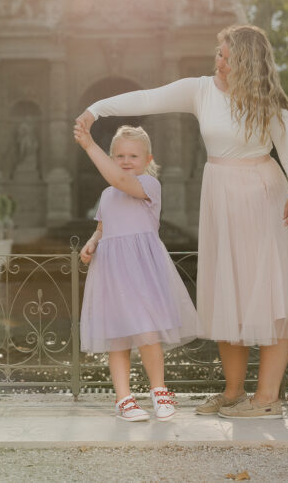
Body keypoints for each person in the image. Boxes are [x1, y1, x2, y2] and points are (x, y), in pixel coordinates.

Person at [75, 24, 288, 419]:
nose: (218, 63)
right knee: (227, 294)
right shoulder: (201, 90)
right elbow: (148, 98)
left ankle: (267, 397)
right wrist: (96, 108)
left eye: (227, 58)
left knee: (271, 296)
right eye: (219, 54)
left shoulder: (270, 103)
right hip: (219, 195)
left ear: (250, 63)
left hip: (264, 198)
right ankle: (234, 392)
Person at [74, 124, 197, 422]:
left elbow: (121, 180)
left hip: (141, 271)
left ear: (147, 159)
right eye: (119, 155)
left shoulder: (148, 185)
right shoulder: (106, 195)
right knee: (118, 337)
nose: (126, 161)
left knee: (147, 331)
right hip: (112, 272)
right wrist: (91, 243)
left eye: (133, 156)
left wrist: (90, 146)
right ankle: (124, 398)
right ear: (112, 158)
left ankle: (158, 390)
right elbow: (102, 228)